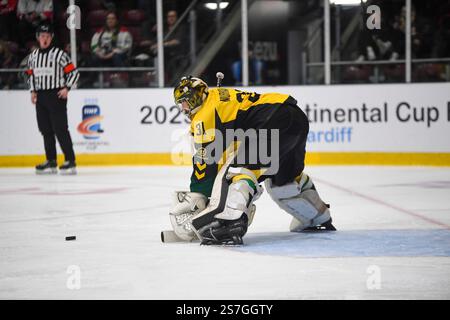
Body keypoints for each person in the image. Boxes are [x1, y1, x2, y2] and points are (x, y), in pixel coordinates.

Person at [168, 75, 335, 245]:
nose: (184, 108)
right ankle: (316, 216)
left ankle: (228, 223)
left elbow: (205, 162)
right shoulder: (219, 97)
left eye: (186, 102)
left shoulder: (204, 114)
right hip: (295, 117)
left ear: (198, 96)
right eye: (181, 104)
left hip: (273, 122)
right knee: (284, 182)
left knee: (237, 171)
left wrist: (199, 194)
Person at [26, 23, 79, 175]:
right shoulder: (33, 56)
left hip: (56, 95)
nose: (45, 39)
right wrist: (33, 91)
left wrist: (67, 88)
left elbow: (74, 73)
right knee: (46, 130)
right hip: (41, 96)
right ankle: (51, 161)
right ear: (38, 38)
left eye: (47, 36)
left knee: (60, 129)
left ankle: (70, 161)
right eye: (42, 36)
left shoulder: (59, 54)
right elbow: (31, 75)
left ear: (52, 38)